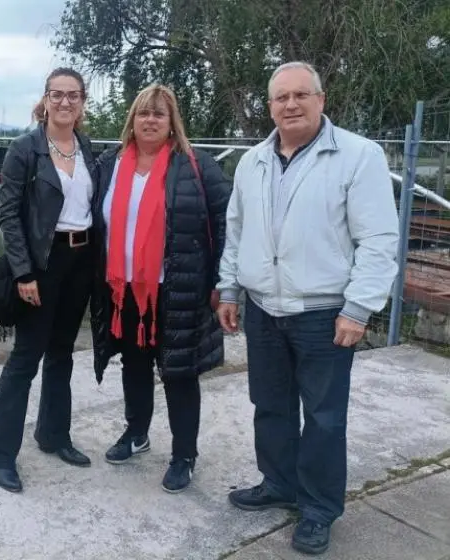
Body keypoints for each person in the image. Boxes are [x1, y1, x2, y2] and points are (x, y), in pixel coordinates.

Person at [216, 61, 400, 555]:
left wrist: (359, 307)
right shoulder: (252, 161)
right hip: (263, 310)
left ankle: (318, 509)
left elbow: (379, 239)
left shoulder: (358, 157)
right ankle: (279, 484)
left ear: (321, 100)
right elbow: (236, 232)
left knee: (323, 417)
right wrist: (230, 289)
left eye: (301, 95)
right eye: (281, 97)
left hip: (325, 313)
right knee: (270, 406)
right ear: (270, 106)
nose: (291, 104)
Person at [88, 84, 231, 493]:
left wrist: (223, 280)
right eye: (143, 113)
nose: (150, 120)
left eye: (159, 114)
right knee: (133, 365)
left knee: (179, 374)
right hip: (125, 290)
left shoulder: (196, 166)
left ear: (172, 123)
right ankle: (137, 433)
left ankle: (184, 455)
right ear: (132, 119)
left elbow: (227, 224)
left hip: (178, 290)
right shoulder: (109, 165)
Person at [0, 67, 97, 493]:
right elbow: (9, 215)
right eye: (57, 94)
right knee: (26, 357)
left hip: (80, 261)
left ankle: (53, 434)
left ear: (83, 102)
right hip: (42, 263)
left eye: (73, 95)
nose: (65, 102)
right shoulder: (25, 150)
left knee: (63, 353)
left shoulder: (86, 147)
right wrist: (24, 271)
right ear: (45, 100)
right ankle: (0, 452)